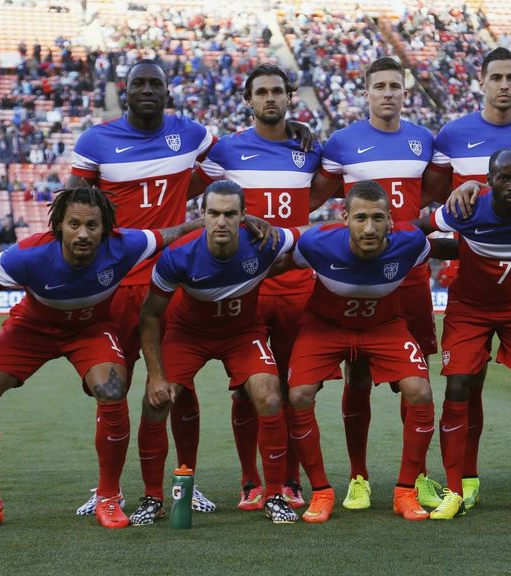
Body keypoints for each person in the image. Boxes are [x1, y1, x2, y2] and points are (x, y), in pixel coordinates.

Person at [0, 187, 199, 528]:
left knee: (113, 391)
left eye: (91, 225)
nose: (83, 233)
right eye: (73, 224)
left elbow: (168, 234)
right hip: (33, 328)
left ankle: (108, 497)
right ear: (58, 225)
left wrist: (210, 220)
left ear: (106, 228)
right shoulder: (27, 255)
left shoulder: (125, 244)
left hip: (90, 329)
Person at [67, 59, 220, 517]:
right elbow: (73, 205)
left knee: (178, 386)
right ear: (125, 89)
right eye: (140, 83)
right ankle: (106, 489)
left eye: (156, 83)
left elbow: (227, 158)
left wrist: (291, 123)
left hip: (171, 283)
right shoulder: (95, 140)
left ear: (168, 91)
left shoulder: (190, 134)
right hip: (114, 286)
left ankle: (184, 483)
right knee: (113, 387)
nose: (148, 89)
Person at [423, 46, 511, 510]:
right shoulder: (453, 133)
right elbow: (432, 199)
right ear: (481, 81)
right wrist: (472, 190)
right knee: (465, 382)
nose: (504, 84)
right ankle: (463, 483)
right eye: (496, 76)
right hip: (472, 273)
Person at [310, 56, 441, 510]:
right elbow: (313, 196)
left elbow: (436, 192)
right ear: (365, 92)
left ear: (405, 92)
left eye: (395, 86)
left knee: (417, 374)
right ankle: (358, 477)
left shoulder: (424, 141)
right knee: (357, 373)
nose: (388, 93)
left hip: (411, 273)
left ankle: (418, 476)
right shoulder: (342, 143)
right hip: (363, 277)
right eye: (379, 86)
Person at [284, 181, 452, 523]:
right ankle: (321, 493)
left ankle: (405, 492)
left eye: (378, 218)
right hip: (325, 327)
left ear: (392, 220)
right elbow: (277, 260)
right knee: (299, 394)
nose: (370, 227)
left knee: (419, 391)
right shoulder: (318, 243)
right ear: (344, 217)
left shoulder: (412, 244)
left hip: (383, 325)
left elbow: (442, 242)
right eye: (360, 218)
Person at [195, 64, 322, 512]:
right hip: (246, 288)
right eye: (261, 92)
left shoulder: (310, 150)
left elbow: (322, 193)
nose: (270, 98)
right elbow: (191, 191)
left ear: (291, 96)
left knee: (292, 388)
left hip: (298, 287)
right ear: (248, 100)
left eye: (278, 91)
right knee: (247, 388)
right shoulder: (226, 151)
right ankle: (250, 481)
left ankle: (287, 480)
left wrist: (302, 131)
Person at [136, 180, 299, 525]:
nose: (221, 222)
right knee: (156, 401)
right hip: (188, 334)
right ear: (202, 215)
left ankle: (273, 497)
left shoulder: (264, 243)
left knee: (270, 396)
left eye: (229, 214)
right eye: (214, 213)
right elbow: (150, 315)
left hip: (242, 333)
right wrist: (154, 375)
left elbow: (309, 241)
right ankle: (152, 498)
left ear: (244, 216)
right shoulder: (179, 256)